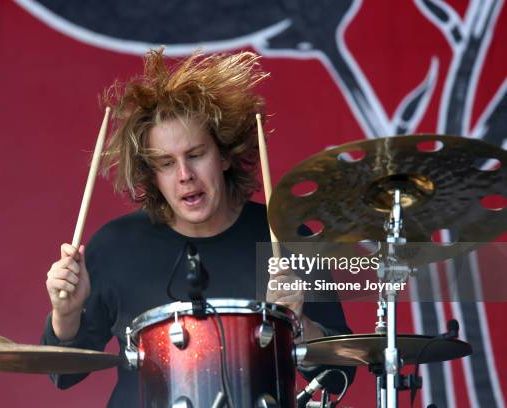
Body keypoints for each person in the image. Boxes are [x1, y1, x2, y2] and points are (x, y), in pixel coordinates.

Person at [42, 49, 355, 406]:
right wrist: (65, 313)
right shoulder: (115, 246)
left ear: (223, 155)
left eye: (195, 154)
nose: (185, 176)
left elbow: (341, 375)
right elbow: (63, 374)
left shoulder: (286, 240)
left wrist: (299, 327)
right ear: (152, 175)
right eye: (165, 163)